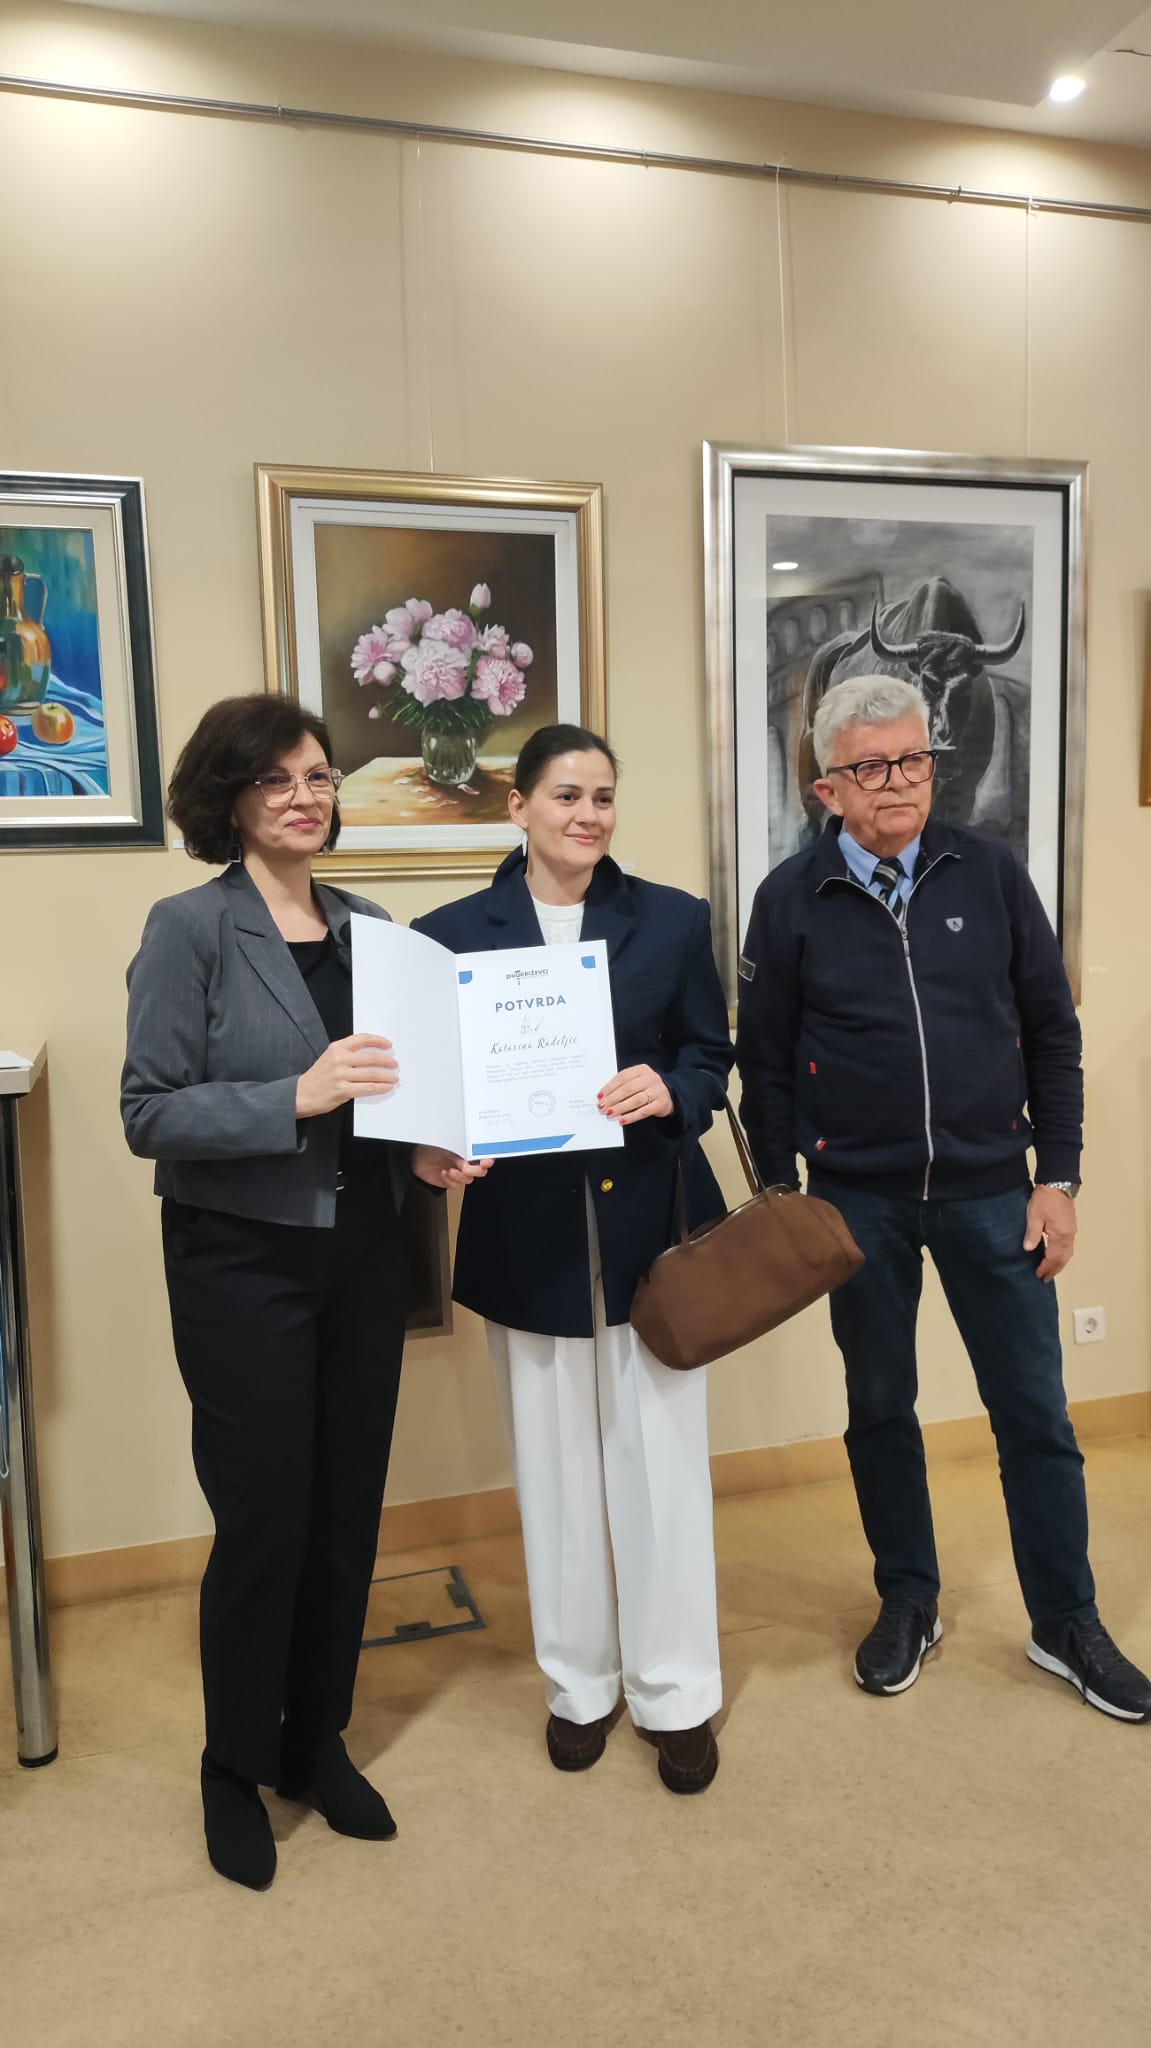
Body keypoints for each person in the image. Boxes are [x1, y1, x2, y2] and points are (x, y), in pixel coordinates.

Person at [122, 694, 489, 1890]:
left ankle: (313, 1738)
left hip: (363, 1252)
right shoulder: (189, 927)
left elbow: (388, 1098)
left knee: (344, 1510)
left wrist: (425, 1147)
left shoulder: (372, 928)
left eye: (320, 775)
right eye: (276, 778)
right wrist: (294, 1093)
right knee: (263, 1518)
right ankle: (233, 1763)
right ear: (227, 798)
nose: (304, 796)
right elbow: (148, 1110)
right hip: (239, 1263)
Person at [736, 673, 1151, 1720]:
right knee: (879, 1407)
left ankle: (1065, 1620)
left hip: (989, 1192)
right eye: (871, 766)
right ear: (827, 788)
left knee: (1033, 1414)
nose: (898, 782)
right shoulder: (788, 898)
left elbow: (1050, 1034)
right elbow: (764, 1063)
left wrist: (1057, 1177)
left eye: (913, 758)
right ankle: (907, 1599)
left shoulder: (992, 873)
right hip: (853, 1201)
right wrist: (780, 1195)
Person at [415, 725, 733, 1791]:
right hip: (528, 1238)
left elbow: (710, 1056)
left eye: (602, 796)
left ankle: (675, 1691)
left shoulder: (671, 918)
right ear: (517, 806)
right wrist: (440, 1145)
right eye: (565, 795)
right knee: (554, 1475)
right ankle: (579, 1686)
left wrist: (671, 1089)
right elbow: (432, 1093)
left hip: (653, 1235)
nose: (587, 814)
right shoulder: (448, 936)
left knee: (660, 1468)